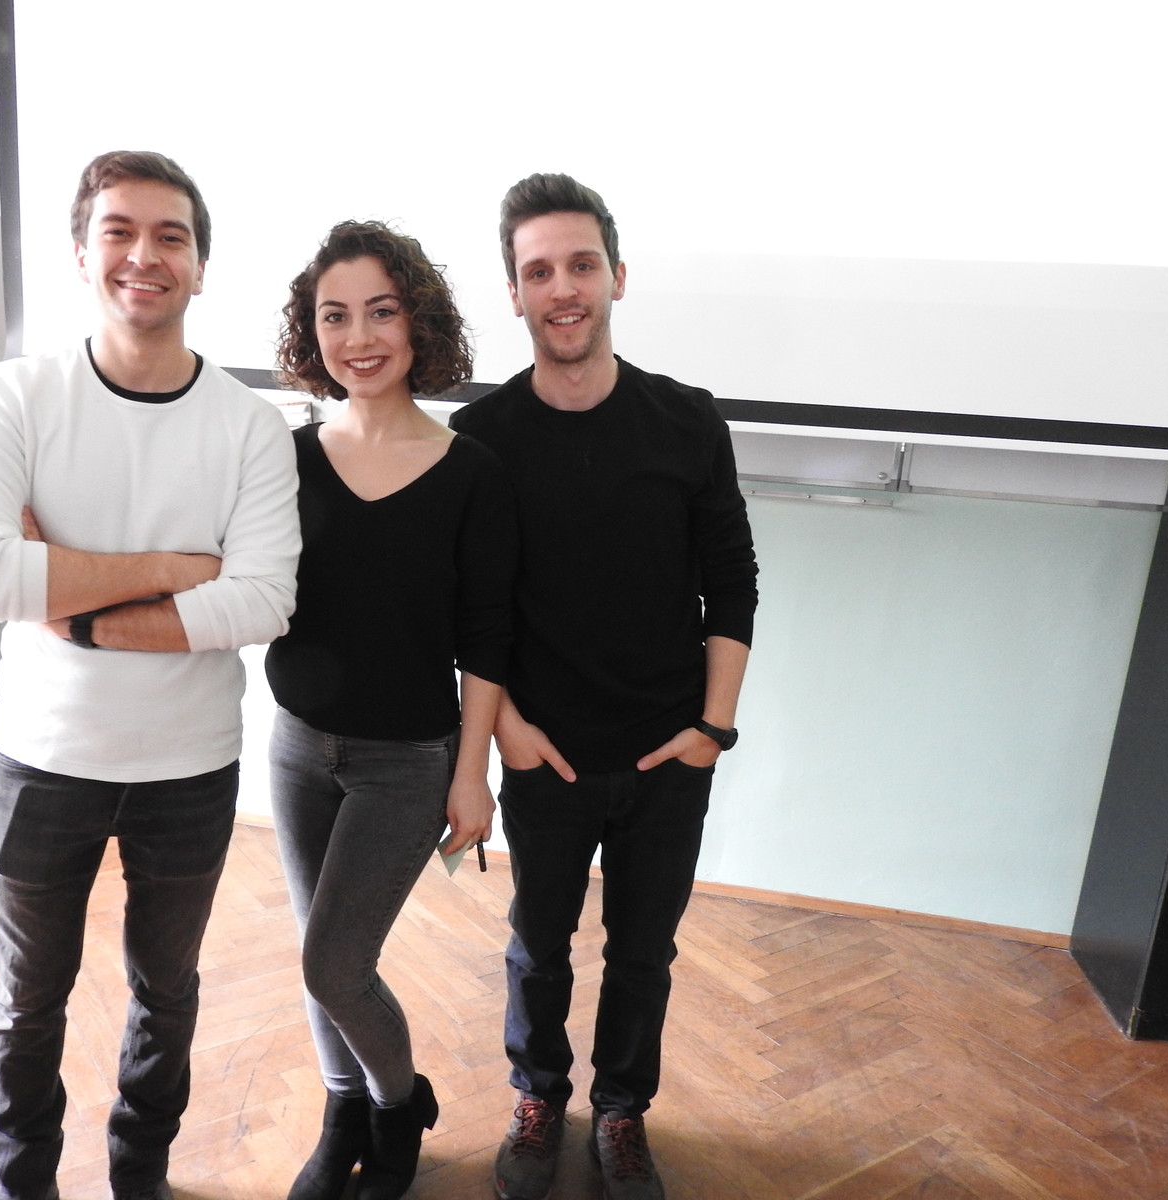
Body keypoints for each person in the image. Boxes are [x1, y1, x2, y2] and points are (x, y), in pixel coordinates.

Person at [0, 151, 301, 1200]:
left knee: (165, 995)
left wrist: (69, 603)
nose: (145, 255)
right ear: (80, 253)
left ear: (200, 266)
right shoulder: (12, 397)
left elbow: (261, 603)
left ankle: (141, 1177)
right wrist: (176, 571)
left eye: (171, 236)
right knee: (26, 1002)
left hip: (189, 767)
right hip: (41, 759)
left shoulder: (250, 426)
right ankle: (22, 1185)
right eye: (119, 231)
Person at [449, 174, 759, 1200]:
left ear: (617, 276)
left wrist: (712, 729)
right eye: (539, 271)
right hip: (546, 752)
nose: (563, 288)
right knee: (538, 947)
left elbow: (731, 583)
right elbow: (469, 610)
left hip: (669, 751)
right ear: (514, 294)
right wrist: (508, 730)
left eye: (581, 265)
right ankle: (538, 1097)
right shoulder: (483, 437)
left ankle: (622, 1112)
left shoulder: (687, 422)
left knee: (643, 953)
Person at [265, 221, 516, 1200]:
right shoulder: (284, 457)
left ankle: (398, 1104)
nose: (358, 337)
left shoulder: (471, 472)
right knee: (316, 952)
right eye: (335, 316)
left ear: (418, 323)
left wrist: (472, 776)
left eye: (381, 312)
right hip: (296, 748)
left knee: (336, 964)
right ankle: (346, 1116)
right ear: (311, 332)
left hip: (406, 761)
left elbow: (486, 640)